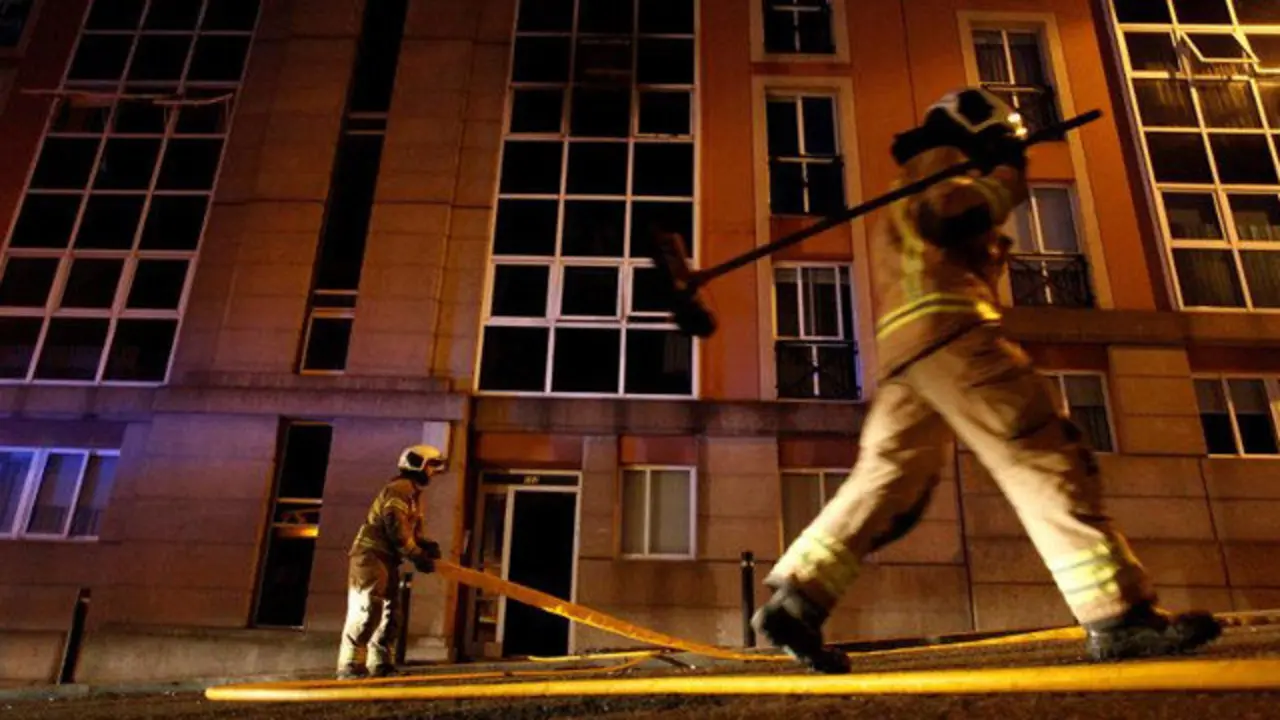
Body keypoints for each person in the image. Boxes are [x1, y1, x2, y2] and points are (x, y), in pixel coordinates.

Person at [751, 88, 1222, 673]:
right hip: (955, 336)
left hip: (907, 354)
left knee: (885, 482)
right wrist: (1006, 175)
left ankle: (797, 599)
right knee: (1045, 457)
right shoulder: (943, 163)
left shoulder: (913, 176)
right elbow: (951, 213)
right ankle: (1119, 616)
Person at [337, 444, 445, 679]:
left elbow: (410, 531)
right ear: (419, 465)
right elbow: (395, 526)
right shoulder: (400, 488)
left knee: (390, 612)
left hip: (388, 557)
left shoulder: (414, 494)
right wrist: (416, 554)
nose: (434, 472)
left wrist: (425, 545)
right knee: (368, 608)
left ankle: (382, 665)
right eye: (432, 466)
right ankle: (350, 666)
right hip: (371, 555)